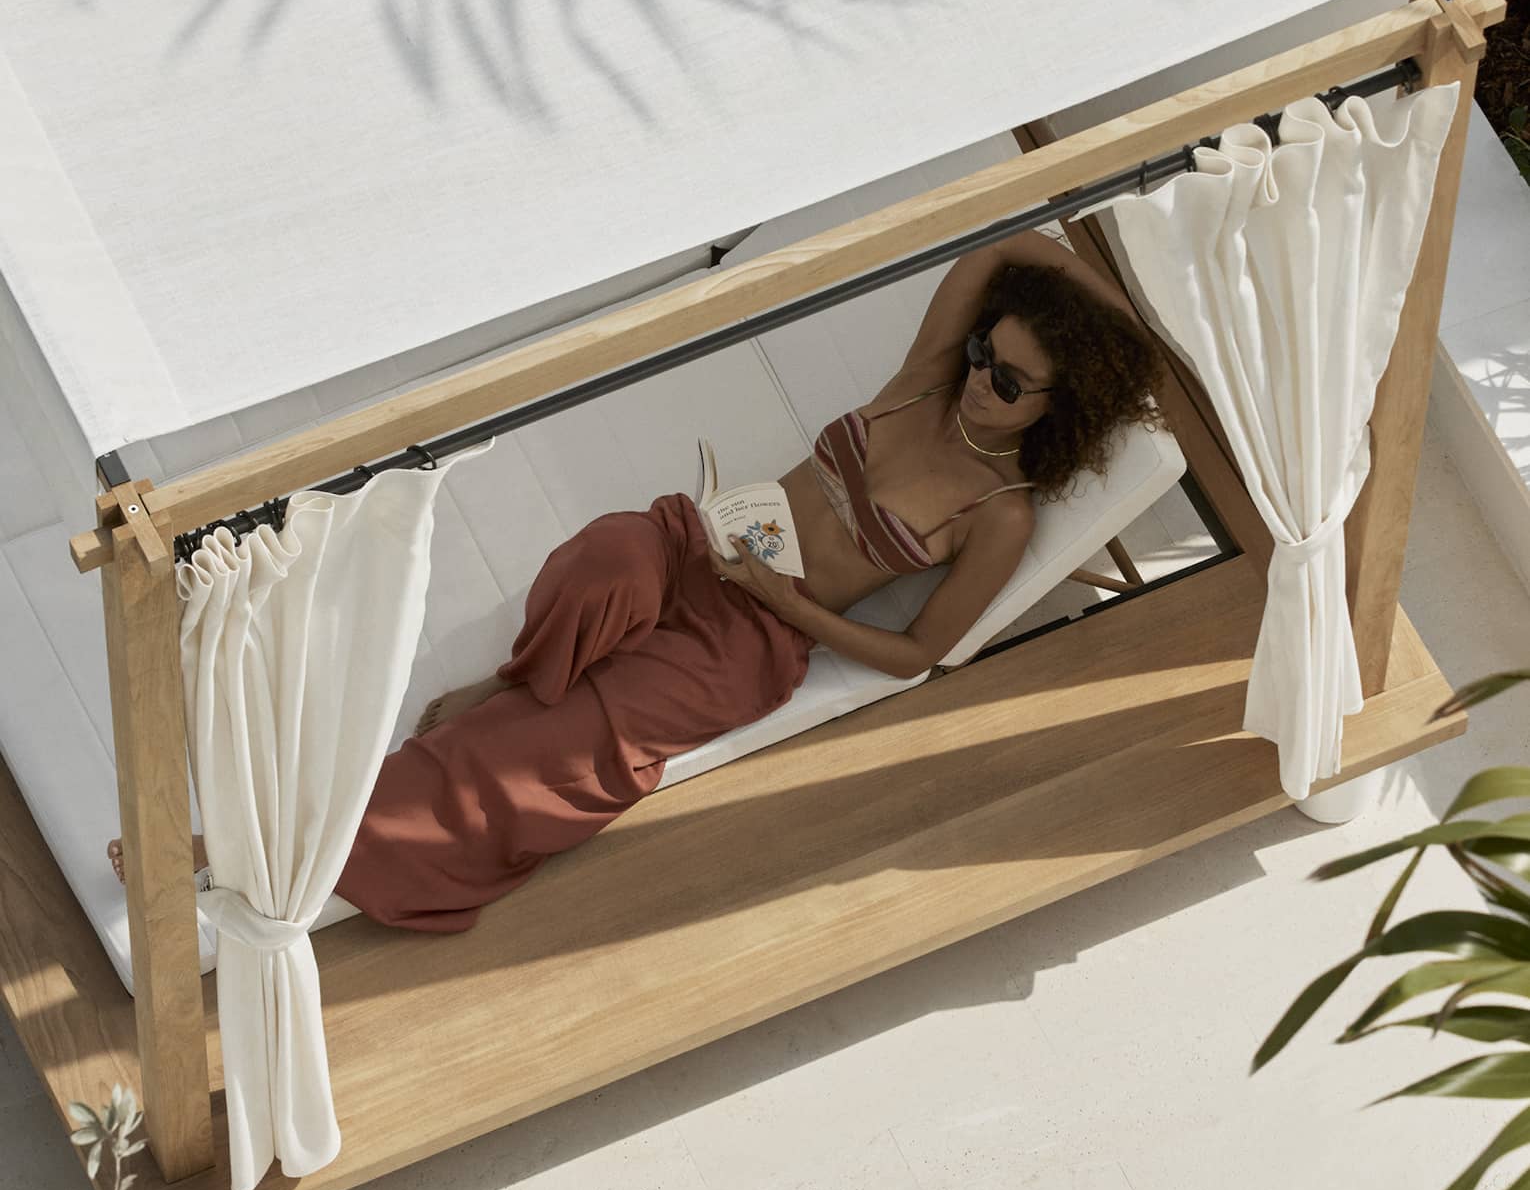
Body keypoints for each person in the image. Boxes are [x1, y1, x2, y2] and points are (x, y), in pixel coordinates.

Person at [108, 231, 1164, 932]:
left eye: (1012, 378)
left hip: (753, 638)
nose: (983, 376)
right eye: (988, 351)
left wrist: (786, 602)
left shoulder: (1002, 512)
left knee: (542, 750)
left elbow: (920, 651)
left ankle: (253, 844)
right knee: (598, 562)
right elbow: (1006, 247)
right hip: (697, 541)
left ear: (1053, 409)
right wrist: (1097, 311)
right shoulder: (928, 381)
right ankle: (511, 683)